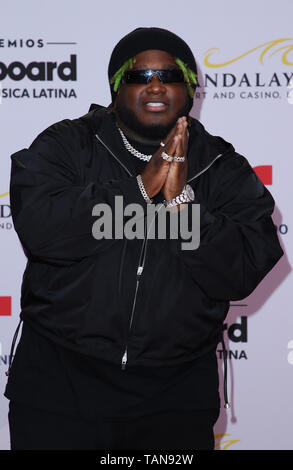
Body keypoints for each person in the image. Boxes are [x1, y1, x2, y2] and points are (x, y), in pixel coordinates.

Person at [5, 27, 283, 450]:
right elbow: (42, 228)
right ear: (116, 89)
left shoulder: (221, 166)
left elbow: (243, 267)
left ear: (189, 88)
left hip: (174, 397)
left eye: (169, 75)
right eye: (139, 76)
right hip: (60, 386)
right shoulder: (68, 145)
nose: (155, 85)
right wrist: (136, 191)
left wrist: (183, 208)